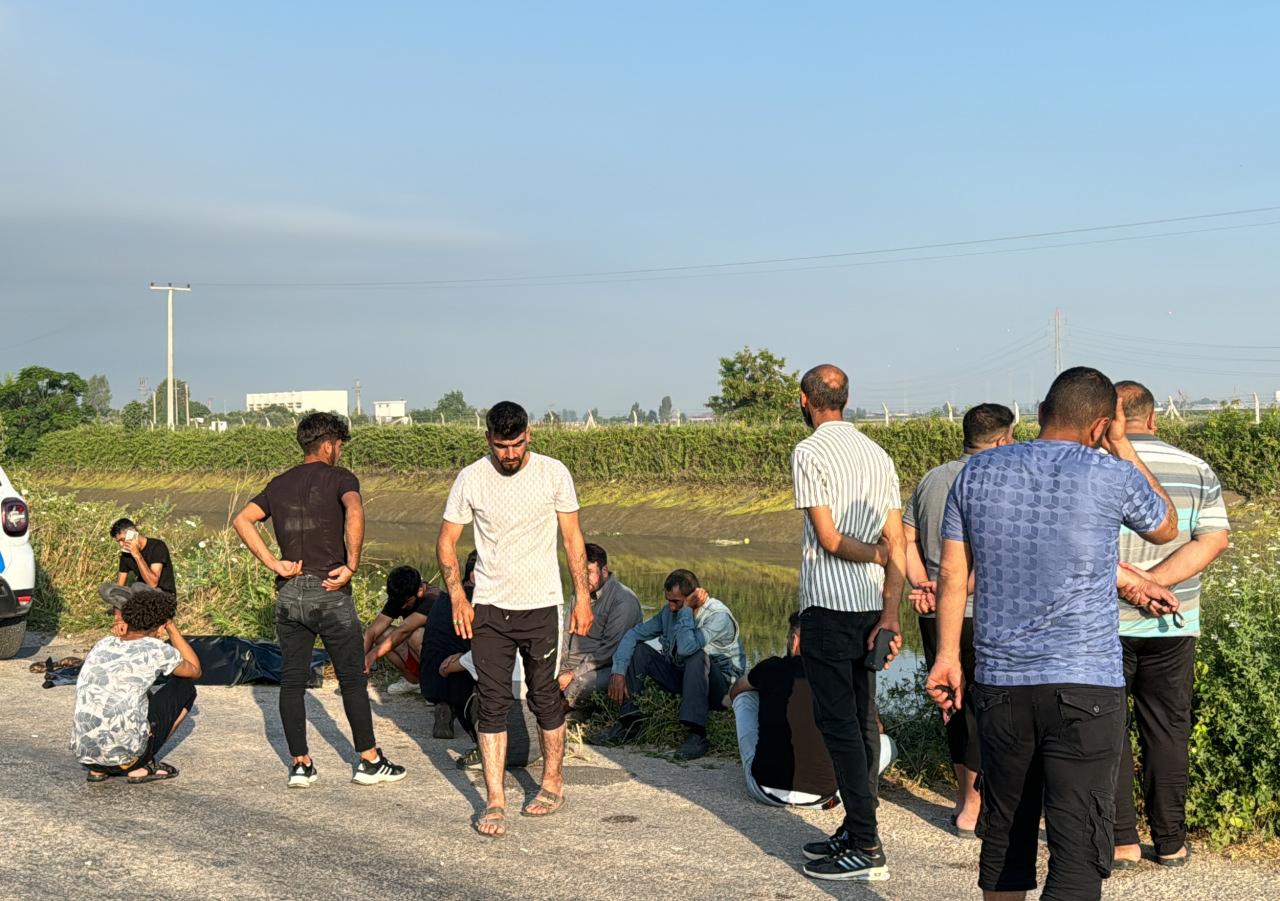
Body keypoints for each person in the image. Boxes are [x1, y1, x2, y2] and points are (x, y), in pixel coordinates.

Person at [927, 367, 1182, 901]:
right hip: (1086, 684)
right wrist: (1121, 445)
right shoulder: (1110, 472)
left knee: (1006, 834)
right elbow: (1165, 527)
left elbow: (952, 573)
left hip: (1000, 682)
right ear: (1101, 425)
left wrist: (947, 655)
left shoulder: (976, 473)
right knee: (1079, 846)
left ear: (1041, 413)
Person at [436, 401, 594, 838]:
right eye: (501, 446)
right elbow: (447, 541)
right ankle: (495, 799)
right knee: (492, 700)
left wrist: (582, 598)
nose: (510, 454)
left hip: (542, 604)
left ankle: (552, 783)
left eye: (517, 445)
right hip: (489, 606)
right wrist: (457, 597)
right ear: (488, 438)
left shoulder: (553, 473)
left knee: (544, 696)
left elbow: (573, 539)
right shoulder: (471, 478)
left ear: (529, 435)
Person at [233, 412, 406, 789]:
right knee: (352, 678)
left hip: (290, 592)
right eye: (339, 445)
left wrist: (274, 563)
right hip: (330, 591)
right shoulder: (340, 478)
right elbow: (355, 511)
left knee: (292, 680)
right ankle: (369, 761)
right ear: (328, 445)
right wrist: (352, 564)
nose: (340, 451)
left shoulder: (279, 484)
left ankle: (301, 765)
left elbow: (242, 520)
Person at [791, 363, 907, 883]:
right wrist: (891, 614)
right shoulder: (877, 454)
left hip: (828, 609)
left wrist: (875, 555)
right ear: (846, 398)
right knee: (862, 721)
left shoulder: (809, 452)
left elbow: (830, 539)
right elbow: (897, 541)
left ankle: (865, 842)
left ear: (805, 399)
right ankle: (858, 828)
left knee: (839, 726)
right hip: (868, 610)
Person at [1111, 381, 1230, 869]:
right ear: (1154, 418)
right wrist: (1157, 584)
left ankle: (1120, 839)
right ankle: (1170, 841)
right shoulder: (1195, 467)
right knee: (1167, 730)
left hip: (1102, 622)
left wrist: (1136, 585)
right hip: (1174, 623)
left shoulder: (1094, 465)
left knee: (1108, 729)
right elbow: (1214, 539)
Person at [904, 402, 1015, 836]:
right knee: (988, 705)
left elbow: (904, 540)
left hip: (934, 613)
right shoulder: (1002, 480)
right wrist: (952, 588)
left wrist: (923, 585)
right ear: (1002, 440)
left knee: (951, 702)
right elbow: (998, 555)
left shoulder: (932, 478)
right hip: (985, 613)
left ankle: (965, 800)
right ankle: (981, 804)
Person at [589, 568, 745, 761]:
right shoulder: (669, 612)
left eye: (676, 602)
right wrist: (618, 672)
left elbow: (687, 648)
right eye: (668, 600)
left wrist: (686, 610)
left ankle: (697, 734)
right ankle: (629, 723)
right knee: (640, 650)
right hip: (688, 679)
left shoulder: (718, 616)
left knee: (697, 656)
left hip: (721, 691)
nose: (671, 607)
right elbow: (633, 635)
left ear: (693, 597)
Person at [71, 589, 201, 783]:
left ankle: (99, 771)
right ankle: (142, 764)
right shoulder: (157, 650)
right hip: (129, 760)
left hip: (86, 756)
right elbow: (195, 670)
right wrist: (172, 628)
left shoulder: (103, 643)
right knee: (185, 687)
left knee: (132, 689)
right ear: (160, 628)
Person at [557, 543, 643, 713]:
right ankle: (568, 711)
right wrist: (560, 668)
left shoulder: (623, 600)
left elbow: (610, 651)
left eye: (588, 573)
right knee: (542, 679)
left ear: (604, 571)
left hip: (604, 666)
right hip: (573, 663)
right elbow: (566, 634)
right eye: (580, 574)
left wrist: (573, 674)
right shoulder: (580, 592)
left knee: (581, 685)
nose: (583, 580)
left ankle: (567, 712)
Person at [363, 565, 438, 696]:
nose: (402, 606)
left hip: (439, 656)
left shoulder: (433, 598)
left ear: (420, 590)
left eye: (407, 601)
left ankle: (436, 686)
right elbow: (372, 632)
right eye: (399, 602)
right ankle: (413, 682)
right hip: (416, 652)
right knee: (381, 634)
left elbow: (404, 630)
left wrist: (373, 654)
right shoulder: (400, 596)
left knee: (415, 634)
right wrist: (359, 663)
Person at [109, 517, 177, 594]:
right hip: (142, 595)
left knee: (137, 587)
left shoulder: (157, 546)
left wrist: (137, 555)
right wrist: (116, 597)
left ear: (133, 533)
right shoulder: (126, 554)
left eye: (122, 539)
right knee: (106, 589)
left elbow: (153, 584)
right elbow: (120, 586)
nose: (121, 544)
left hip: (163, 594)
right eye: (119, 542)